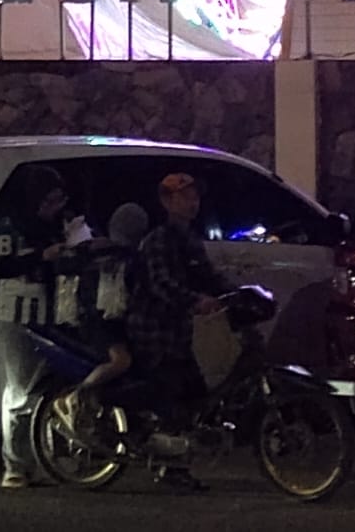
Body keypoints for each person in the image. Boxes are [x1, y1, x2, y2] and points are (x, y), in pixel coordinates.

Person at [125, 173, 232, 488]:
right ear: (166, 202)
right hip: (154, 330)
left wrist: (240, 293)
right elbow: (162, 285)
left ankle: (175, 460)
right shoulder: (159, 240)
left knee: (196, 394)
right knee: (175, 394)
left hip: (178, 331)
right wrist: (195, 301)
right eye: (184, 197)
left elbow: (209, 276)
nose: (192, 202)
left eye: (194, 196)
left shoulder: (190, 238)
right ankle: (168, 465)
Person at [0, 164, 82, 491]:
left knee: (48, 390)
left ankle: (42, 461)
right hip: (17, 314)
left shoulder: (56, 227)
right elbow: (0, 267)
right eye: (49, 201)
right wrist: (43, 256)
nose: (54, 207)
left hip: (51, 314)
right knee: (19, 392)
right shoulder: (8, 227)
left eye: (59, 200)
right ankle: (15, 466)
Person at [51, 202, 150, 435]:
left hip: (110, 321)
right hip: (98, 323)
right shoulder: (111, 254)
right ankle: (77, 396)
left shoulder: (110, 251)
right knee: (121, 361)